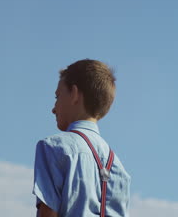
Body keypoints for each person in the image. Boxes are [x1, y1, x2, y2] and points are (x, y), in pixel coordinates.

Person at [33, 59, 131, 217]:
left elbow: (48, 213)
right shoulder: (119, 168)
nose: (53, 108)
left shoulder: (53, 147)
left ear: (74, 94)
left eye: (57, 96)